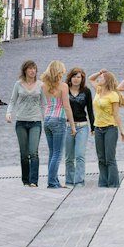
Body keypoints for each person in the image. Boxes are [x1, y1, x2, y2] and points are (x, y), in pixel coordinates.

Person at [6, 60, 43, 187]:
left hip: (35, 121)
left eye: (34, 69)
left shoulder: (40, 85)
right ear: (25, 70)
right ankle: (25, 180)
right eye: (30, 68)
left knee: (33, 152)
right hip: (21, 122)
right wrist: (8, 113)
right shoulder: (18, 84)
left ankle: (34, 180)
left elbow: (44, 104)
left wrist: (47, 118)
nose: (33, 71)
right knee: (24, 153)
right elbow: (12, 100)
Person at [41, 60, 71, 190]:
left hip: (47, 119)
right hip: (59, 119)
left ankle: (55, 181)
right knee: (57, 154)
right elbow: (67, 106)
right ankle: (52, 183)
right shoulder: (63, 86)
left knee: (52, 153)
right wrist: (73, 125)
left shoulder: (43, 86)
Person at [91, 70, 124, 188]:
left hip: (110, 128)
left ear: (107, 81)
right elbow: (91, 79)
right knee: (101, 158)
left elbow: (116, 114)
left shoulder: (113, 95)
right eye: (99, 77)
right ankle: (103, 182)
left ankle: (113, 183)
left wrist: (122, 131)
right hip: (98, 128)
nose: (99, 79)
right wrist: (100, 72)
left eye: (102, 78)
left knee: (110, 158)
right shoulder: (98, 91)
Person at [64, 68, 94, 188]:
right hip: (67, 126)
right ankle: (69, 180)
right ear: (70, 77)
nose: (76, 79)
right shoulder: (65, 90)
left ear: (82, 79)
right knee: (69, 156)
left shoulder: (86, 91)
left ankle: (79, 181)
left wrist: (93, 127)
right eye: (74, 76)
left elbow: (90, 110)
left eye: (79, 77)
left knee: (80, 155)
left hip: (82, 126)